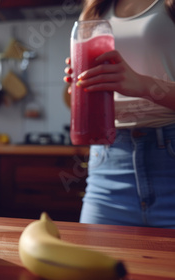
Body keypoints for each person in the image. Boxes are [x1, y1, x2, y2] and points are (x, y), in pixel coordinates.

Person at [64, 0, 175, 228]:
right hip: (108, 163)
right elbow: (74, 97)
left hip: (169, 161)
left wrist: (142, 84)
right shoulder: (95, 8)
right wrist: (78, 86)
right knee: (95, 262)